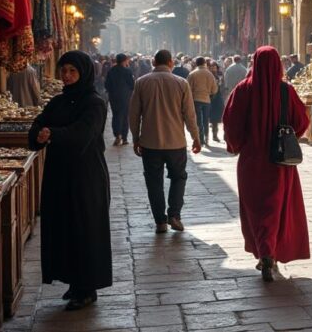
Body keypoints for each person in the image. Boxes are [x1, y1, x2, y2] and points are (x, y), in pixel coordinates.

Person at [28, 50, 112, 310]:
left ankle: (87, 288)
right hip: (59, 175)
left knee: (84, 228)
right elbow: (39, 123)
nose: (66, 76)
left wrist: (52, 133)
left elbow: (84, 134)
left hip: (86, 177)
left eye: (72, 71)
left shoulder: (94, 102)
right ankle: (74, 283)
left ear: (83, 72)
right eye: (63, 70)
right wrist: (38, 135)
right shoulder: (58, 102)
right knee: (64, 228)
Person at [223, 46, 311, 282]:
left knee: (255, 209)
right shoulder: (286, 91)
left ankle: (264, 253)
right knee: (276, 207)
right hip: (279, 161)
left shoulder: (242, 90)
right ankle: (270, 252)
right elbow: (302, 121)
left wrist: (236, 145)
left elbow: (231, 124)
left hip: (251, 161)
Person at [129, 49, 202, 233]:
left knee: (154, 182)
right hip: (175, 142)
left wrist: (136, 138)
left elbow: (134, 114)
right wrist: (195, 137)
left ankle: (160, 221)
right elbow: (190, 115)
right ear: (171, 63)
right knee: (179, 177)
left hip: (150, 143)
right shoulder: (181, 83)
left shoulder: (141, 82)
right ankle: (174, 215)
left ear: (153, 62)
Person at [103, 54, 135, 146]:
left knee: (116, 115)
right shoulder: (127, 71)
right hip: (125, 97)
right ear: (124, 61)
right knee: (125, 116)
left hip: (114, 97)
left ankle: (117, 135)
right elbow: (132, 84)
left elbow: (107, 84)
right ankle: (124, 138)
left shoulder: (111, 71)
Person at [187, 57, 218, 147]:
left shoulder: (192, 74)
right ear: (204, 63)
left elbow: (187, 88)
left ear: (196, 64)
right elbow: (215, 89)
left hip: (195, 99)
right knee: (206, 119)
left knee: (198, 120)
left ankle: (201, 139)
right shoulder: (210, 74)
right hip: (206, 99)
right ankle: (206, 137)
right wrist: (209, 93)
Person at [209, 60, 226, 143]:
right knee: (212, 118)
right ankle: (213, 135)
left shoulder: (220, 74)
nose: (213, 68)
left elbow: (222, 84)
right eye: (211, 67)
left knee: (220, 116)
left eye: (214, 67)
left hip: (218, 97)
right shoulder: (208, 74)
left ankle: (221, 135)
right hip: (210, 97)